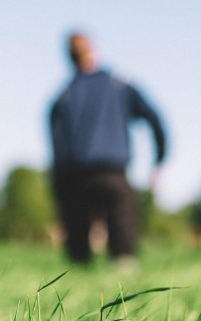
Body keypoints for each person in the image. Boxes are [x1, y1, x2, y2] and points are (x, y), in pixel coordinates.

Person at [49, 31, 167, 265]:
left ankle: (78, 277)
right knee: (123, 248)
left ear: (69, 57)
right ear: (93, 49)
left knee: (78, 255)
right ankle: (124, 271)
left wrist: (58, 185)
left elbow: (57, 148)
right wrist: (159, 158)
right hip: (113, 173)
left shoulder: (62, 97)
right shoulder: (120, 85)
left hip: (75, 176)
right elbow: (154, 118)